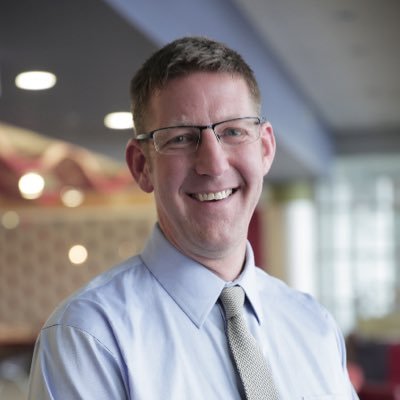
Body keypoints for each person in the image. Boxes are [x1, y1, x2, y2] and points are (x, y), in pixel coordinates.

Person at [28, 36, 358, 399]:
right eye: (181, 138)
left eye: (233, 131)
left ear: (264, 148)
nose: (214, 164)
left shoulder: (315, 326)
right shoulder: (89, 337)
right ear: (142, 166)